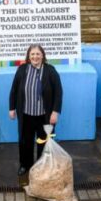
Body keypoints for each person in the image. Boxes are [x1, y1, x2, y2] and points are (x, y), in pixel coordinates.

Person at [8, 44, 63, 176]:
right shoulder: (22, 69)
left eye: (38, 54)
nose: (35, 57)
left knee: (43, 142)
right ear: (28, 56)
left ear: (42, 55)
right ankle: (25, 165)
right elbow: (14, 90)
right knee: (25, 141)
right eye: (32, 54)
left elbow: (58, 92)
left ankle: (42, 165)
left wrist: (55, 112)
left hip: (44, 117)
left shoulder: (50, 71)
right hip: (26, 115)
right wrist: (12, 108)